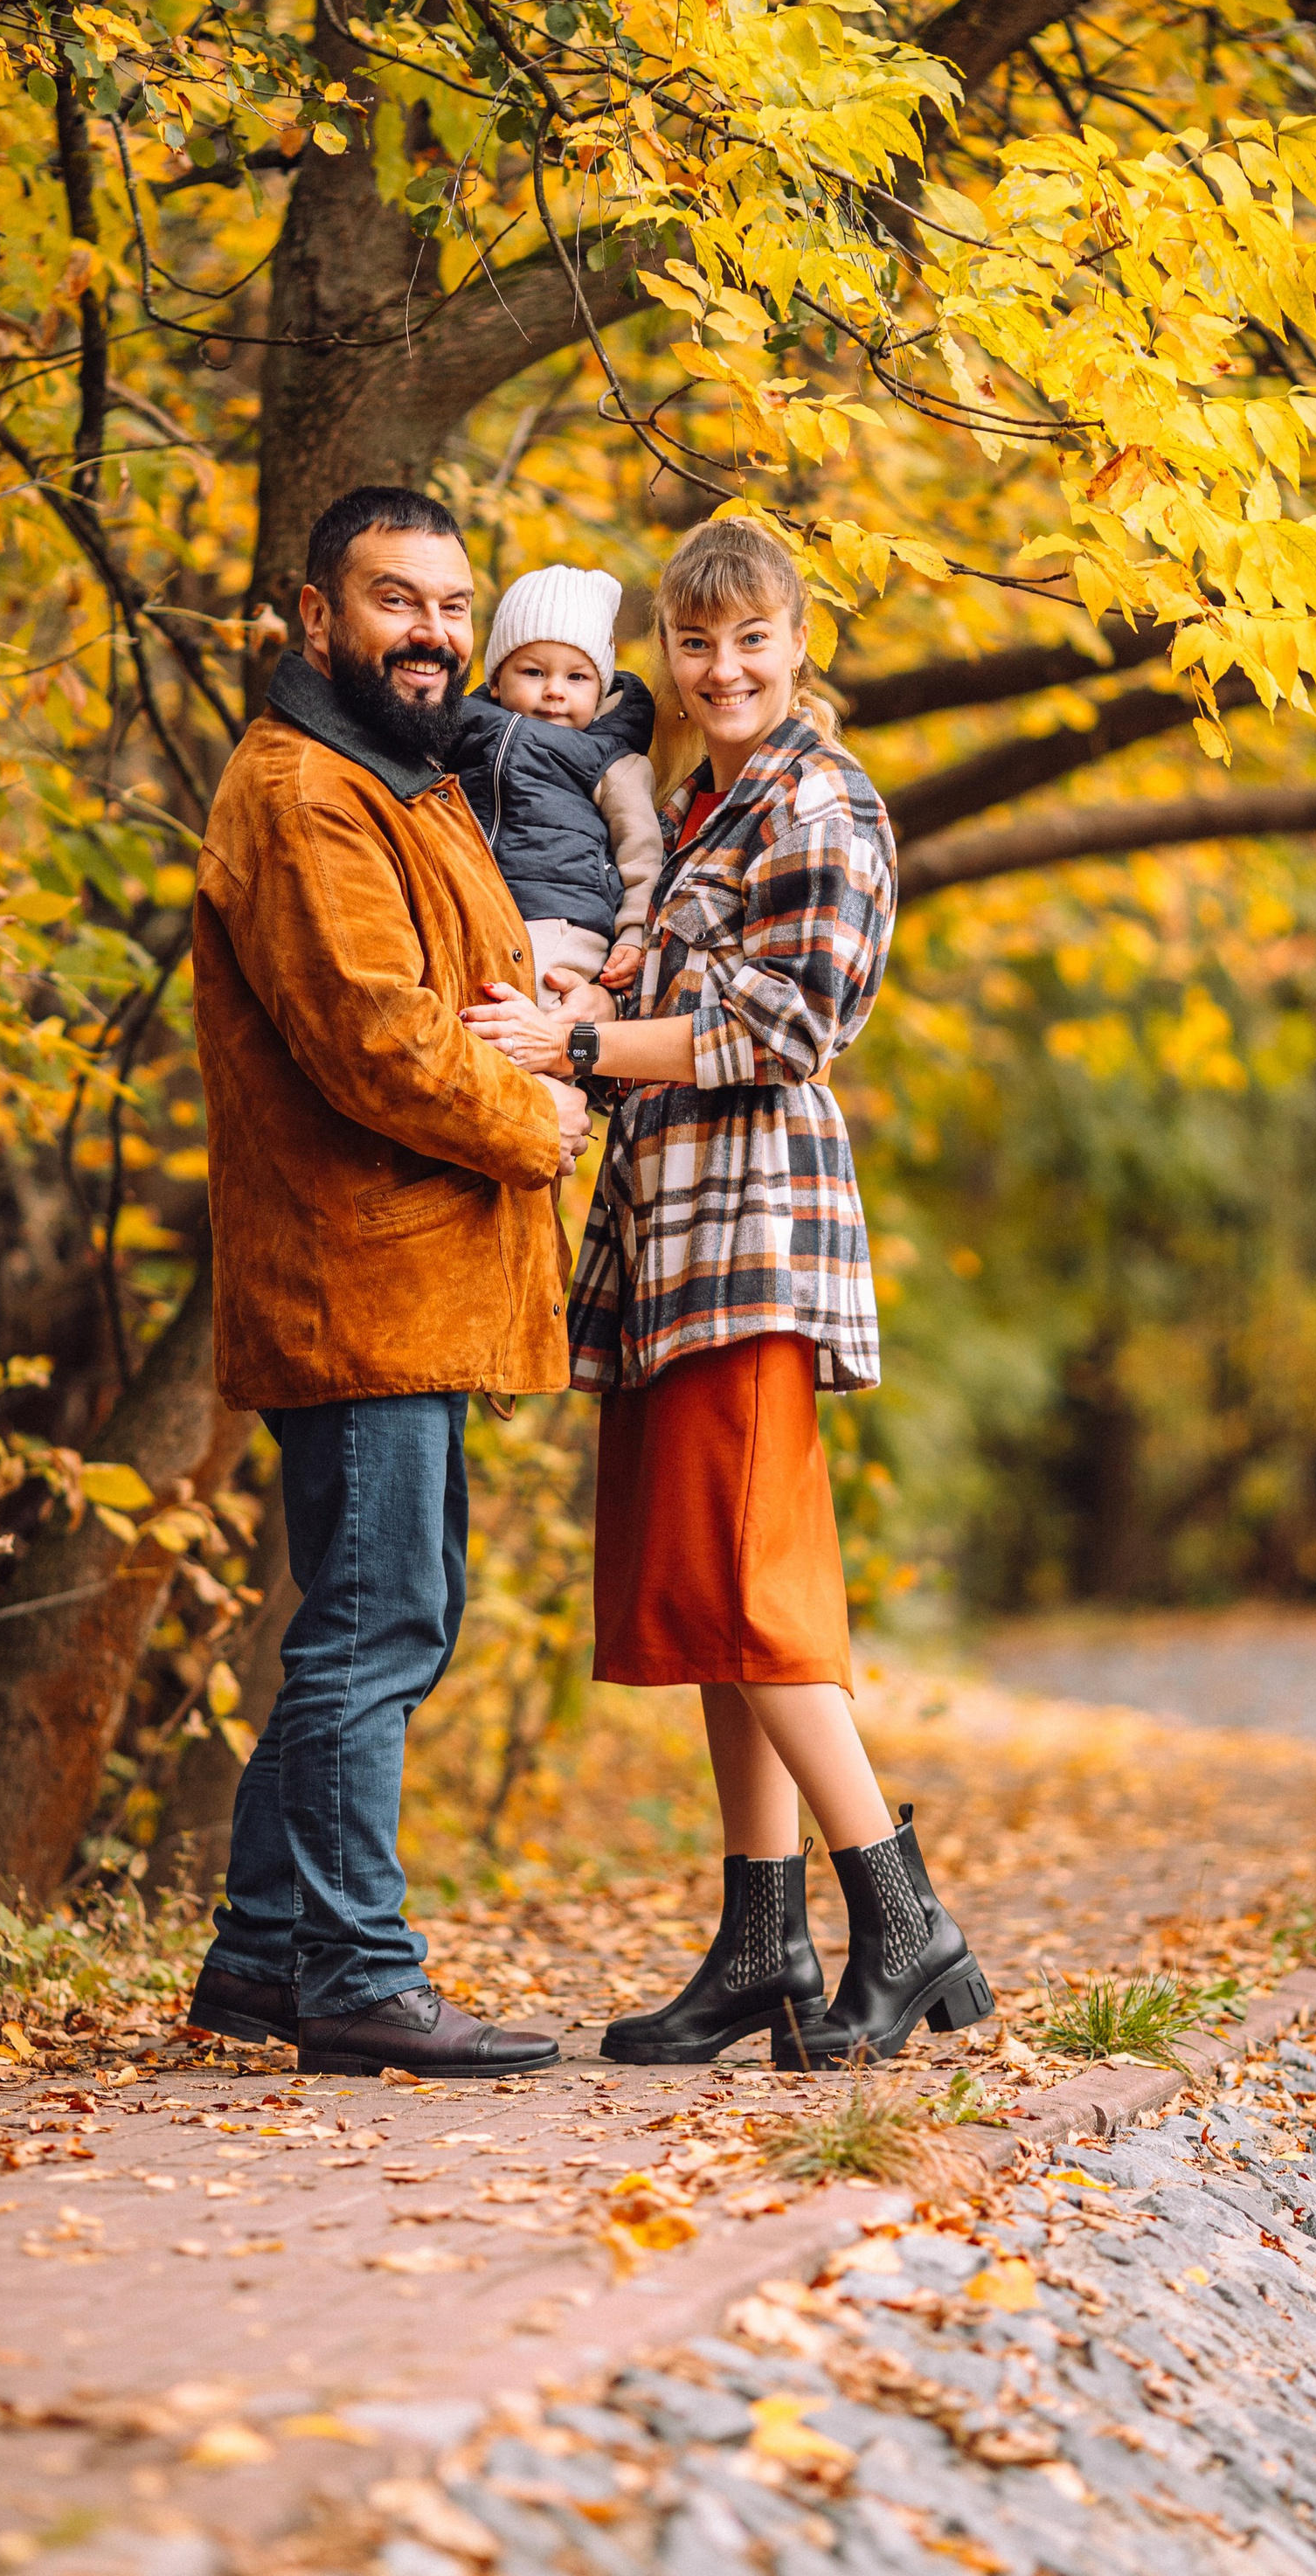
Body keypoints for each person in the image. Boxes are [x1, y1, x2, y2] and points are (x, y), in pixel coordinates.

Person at [462, 516, 994, 2070]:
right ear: (672, 662)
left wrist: (575, 1050)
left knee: (756, 1592)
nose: (724, 665)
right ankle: (765, 1940)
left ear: (797, 639)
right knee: (713, 1597)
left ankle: (903, 1920)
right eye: (697, 643)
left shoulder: (819, 797)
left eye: (751, 637)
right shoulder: (693, 804)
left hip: (755, 1233)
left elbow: (786, 1024)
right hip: (670, 1241)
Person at [182, 485, 592, 2080]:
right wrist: (539, 1120)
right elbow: (378, 1037)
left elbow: (481, 993)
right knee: (376, 1623)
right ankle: (358, 1971)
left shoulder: (400, 779)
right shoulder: (304, 791)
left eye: (448, 601)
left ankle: (263, 1959)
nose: (428, 629)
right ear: (315, 612)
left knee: (394, 1614)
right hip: (361, 1282)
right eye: (392, 597)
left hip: (415, 1286)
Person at [452, 565, 662, 1008]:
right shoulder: (459, 732)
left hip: (560, 919)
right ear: (496, 680)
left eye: (576, 677)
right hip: (465, 905)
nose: (554, 691)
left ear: (600, 688)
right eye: (533, 672)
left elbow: (640, 852)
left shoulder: (610, 759)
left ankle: (550, 1073)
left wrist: (632, 933)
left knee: (523, 1014)